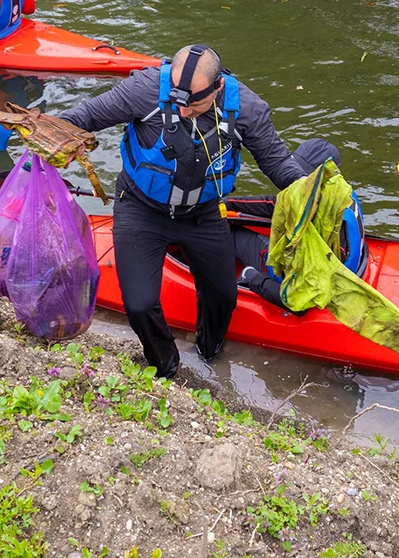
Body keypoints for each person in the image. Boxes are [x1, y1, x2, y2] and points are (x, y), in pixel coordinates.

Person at [57, 45, 307, 377]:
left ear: (217, 87)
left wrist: (312, 191)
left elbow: (277, 164)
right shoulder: (143, 89)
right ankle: (168, 366)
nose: (183, 111)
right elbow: (83, 117)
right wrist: (48, 140)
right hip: (140, 209)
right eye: (177, 101)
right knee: (140, 305)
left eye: (195, 104)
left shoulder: (246, 108)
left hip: (203, 214)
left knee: (222, 295)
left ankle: (209, 353)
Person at [233, 139, 368, 312]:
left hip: (324, 285)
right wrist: (229, 204)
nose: (299, 177)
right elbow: (274, 205)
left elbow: (315, 283)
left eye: (306, 174)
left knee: (232, 235)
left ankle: (249, 276)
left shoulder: (318, 208)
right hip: (356, 267)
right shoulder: (341, 193)